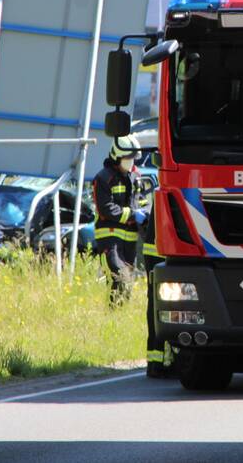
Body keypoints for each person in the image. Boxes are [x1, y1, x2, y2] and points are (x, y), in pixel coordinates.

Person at [93, 136, 146, 306]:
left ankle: (118, 314)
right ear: (116, 156)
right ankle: (113, 311)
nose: (131, 163)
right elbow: (106, 208)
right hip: (110, 238)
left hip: (130, 239)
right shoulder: (103, 178)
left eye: (133, 159)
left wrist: (146, 213)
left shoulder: (136, 176)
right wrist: (132, 215)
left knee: (128, 280)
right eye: (127, 159)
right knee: (119, 276)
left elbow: (141, 201)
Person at [142, 206, 176, 378]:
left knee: (156, 304)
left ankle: (156, 362)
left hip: (156, 249)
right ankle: (162, 362)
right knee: (166, 305)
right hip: (163, 251)